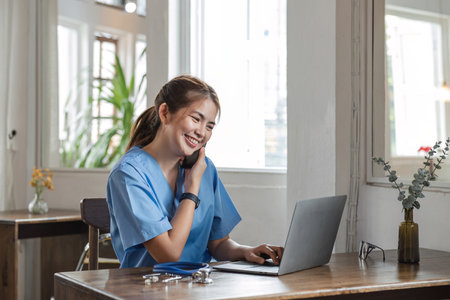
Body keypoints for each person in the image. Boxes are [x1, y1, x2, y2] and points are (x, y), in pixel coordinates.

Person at [106, 75, 283, 268]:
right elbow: (169, 254)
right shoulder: (129, 174)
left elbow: (218, 243)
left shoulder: (204, 168)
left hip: (200, 286)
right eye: (196, 119)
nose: (201, 132)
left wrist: (245, 251)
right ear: (165, 113)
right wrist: (191, 190)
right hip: (146, 289)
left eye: (209, 126)